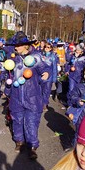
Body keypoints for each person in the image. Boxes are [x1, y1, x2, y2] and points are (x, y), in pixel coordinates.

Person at [6, 31, 50, 159]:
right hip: (16, 95)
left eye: (19, 45)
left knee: (31, 122)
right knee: (17, 120)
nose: (16, 48)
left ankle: (32, 146)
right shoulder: (13, 58)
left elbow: (45, 68)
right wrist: (6, 87)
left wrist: (46, 74)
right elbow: (8, 74)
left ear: (26, 45)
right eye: (15, 46)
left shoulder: (36, 57)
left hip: (32, 96)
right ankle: (19, 141)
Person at [41, 41, 59, 110]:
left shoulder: (53, 57)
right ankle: (41, 103)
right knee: (41, 91)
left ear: (51, 48)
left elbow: (54, 68)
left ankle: (45, 104)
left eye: (48, 47)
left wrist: (54, 79)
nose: (46, 48)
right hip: (41, 76)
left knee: (47, 91)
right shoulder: (41, 54)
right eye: (45, 47)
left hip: (49, 77)